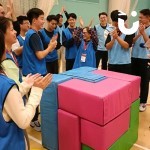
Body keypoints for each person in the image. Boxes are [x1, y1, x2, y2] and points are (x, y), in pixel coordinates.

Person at [0, 30, 52, 150]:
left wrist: (24, 86)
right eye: (11, 29)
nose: (14, 32)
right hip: (10, 143)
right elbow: (23, 121)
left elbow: (6, 100)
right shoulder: (6, 83)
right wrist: (36, 91)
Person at [22, 8, 57, 131]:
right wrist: (50, 47)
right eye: (42, 18)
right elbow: (40, 55)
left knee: (35, 96)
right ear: (34, 20)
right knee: (34, 97)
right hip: (34, 72)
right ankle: (34, 120)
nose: (43, 21)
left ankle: (34, 118)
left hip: (34, 70)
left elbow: (41, 53)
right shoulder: (33, 35)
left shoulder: (33, 34)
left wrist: (50, 47)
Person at [131, 9, 150, 112]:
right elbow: (132, 41)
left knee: (144, 81)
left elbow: (149, 43)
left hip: (145, 58)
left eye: (141, 17)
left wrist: (143, 33)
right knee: (134, 80)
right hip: (134, 57)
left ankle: (143, 102)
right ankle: (134, 99)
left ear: (148, 18)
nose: (139, 19)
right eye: (139, 17)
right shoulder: (136, 28)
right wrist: (138, 33)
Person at [105, 10, 134, 74]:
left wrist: (117, 37)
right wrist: (113, 39)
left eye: (118, 21)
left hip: (125, 63)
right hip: (112, 63)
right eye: (115, 21)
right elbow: (107, 47)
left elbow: (126, 46)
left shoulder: (128, 32)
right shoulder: (110, 32)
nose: (117, 23)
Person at [56, 6, 69, 73]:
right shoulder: (55, 26)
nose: (61, 19)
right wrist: (60, 13)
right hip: (57, 46)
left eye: (62, 18)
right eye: (60, 18)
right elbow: (55, 18)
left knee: (64, 61)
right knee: (57, 61)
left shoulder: (64, 25)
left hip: (64, 46)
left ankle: (64, 73)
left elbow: (68, 18)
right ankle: (57, 73)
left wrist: (65, 12)